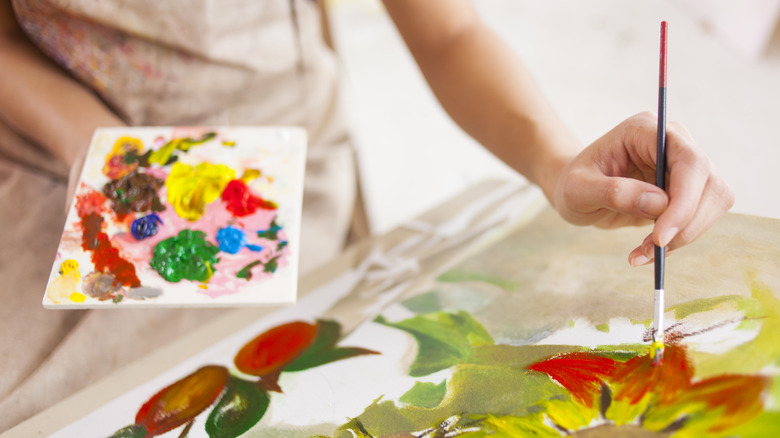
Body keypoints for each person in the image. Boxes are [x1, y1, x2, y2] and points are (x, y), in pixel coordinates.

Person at [0, 0, 733, 431]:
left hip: (269, 173)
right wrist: (85, 139)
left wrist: (556, 162)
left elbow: (447, 34)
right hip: (49, 142)